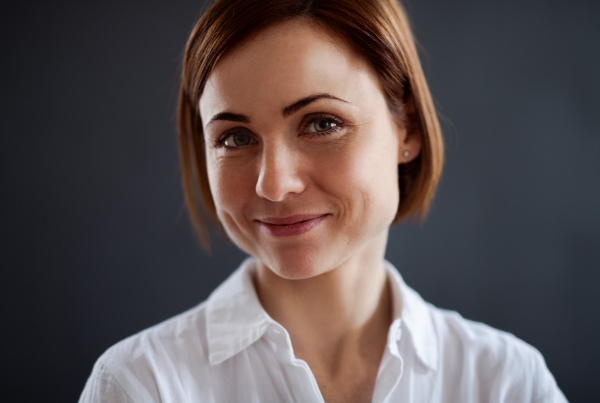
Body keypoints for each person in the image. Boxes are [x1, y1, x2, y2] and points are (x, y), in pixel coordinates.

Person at [79, 0, 567, 402]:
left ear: (409, 129)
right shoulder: (139, 386)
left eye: (322, 124)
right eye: (235, 138)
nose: (274, 185)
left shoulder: (508, 383)